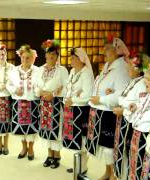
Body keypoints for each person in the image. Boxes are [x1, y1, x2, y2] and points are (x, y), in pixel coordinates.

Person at [86, 36, 130, 180]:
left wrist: (102, 98)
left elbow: (122, 95)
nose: (104, 51)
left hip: (110, 113)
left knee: (109, 147)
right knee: (104, 146)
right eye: (104, 48)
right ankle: (107, 172)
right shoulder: (107, 66)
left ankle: (113, 176)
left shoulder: (122, 68)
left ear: (117, 51)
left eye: (108, 49)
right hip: (100, 111)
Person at [112, 52, 150, 179]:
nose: (128, 68)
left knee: (128, 156)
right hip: (123, 122)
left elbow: (141, 107)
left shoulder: (143, 84)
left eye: (131, 66)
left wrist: (124, 111)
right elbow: (126, 99)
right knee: (121, 153)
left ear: (140, 69)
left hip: (130, 125)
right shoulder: (133, 81)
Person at [37, 39, 68, 169]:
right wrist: (40, 92)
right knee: (46, 130)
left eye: (54, 54)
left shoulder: (62, 70)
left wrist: (53, 94)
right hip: (43, 103)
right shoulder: (40, 69)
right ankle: (49, 155)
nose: (51, 56)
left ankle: (57, 156)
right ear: (45, 55)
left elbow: (66, 87)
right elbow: (35, 85)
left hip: (55, 103)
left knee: (56, 129)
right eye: (49, 54)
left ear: (57, 56)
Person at [62, 47, 94, 173]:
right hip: (71, 109)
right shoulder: (72, 72)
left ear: (81, 60)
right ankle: (77, 164)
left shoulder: (86, 73)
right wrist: (68, 98)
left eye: (74, 58)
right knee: (74, 139)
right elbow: (68, 89)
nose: (71, 60)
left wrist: (73, 100)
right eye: (71, 58)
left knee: (82, 139)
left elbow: (87, 95)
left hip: (81, 110)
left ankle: (83, 167)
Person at [6, 45, 40, 161]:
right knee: (21, 128)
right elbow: (8, 84)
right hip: (19, 103)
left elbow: (40, 85)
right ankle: (24, 147)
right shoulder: (14, 71)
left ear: (32, 58)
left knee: (31, 128)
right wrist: (15, 90)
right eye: (23, 57)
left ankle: (31, 148)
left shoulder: (37, 71)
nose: (25, 60)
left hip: (32, 103)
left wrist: (37, 90)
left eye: (28, 58)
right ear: (20, 57)